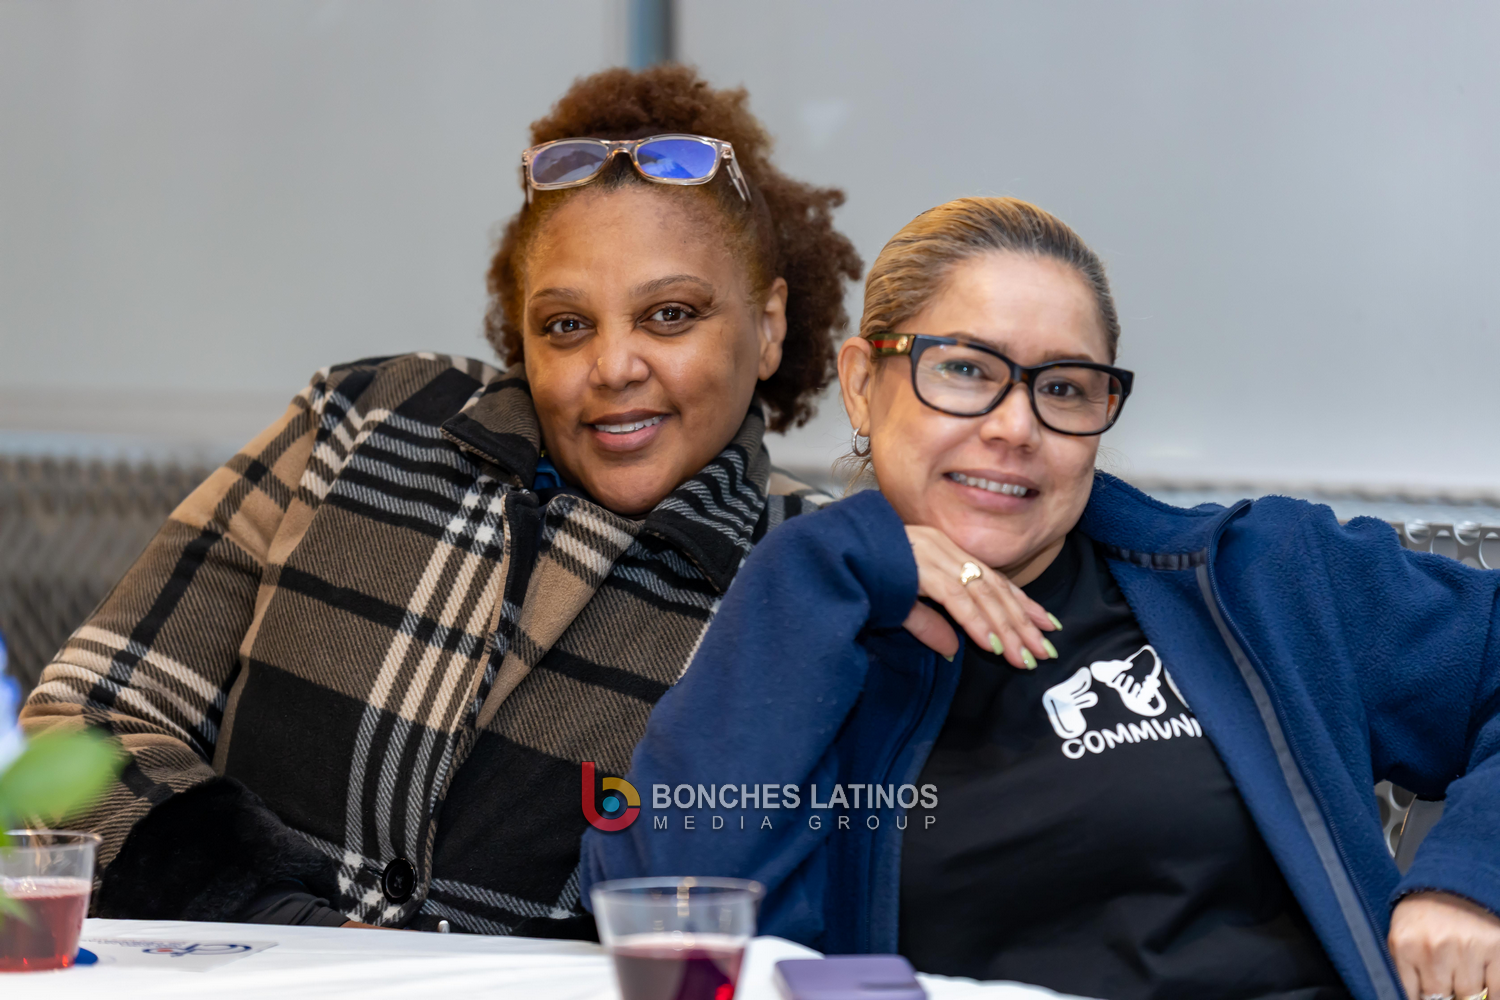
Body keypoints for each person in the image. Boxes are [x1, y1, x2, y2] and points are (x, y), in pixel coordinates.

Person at [19, 65, 863, 936]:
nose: (613, 366)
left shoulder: (815, 573)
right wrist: (283, 924)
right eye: (566, 325)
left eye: (671, 315)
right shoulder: (363, 419)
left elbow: (823, 902)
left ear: (768, 327)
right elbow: (84, 722)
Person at [584, 197, 1500, 1000]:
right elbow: (666, 911)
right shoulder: (813, 626)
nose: (1016, 427)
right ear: (862, 385)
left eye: (1063, 388)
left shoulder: (1259, 576)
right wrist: (819, 565)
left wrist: (1470, 876)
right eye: (965, 370)